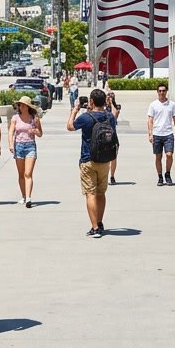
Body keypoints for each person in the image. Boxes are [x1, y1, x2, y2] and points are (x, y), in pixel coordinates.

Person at [67, 88, 116, 237]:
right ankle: (100, 222)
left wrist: (75, 111)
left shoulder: (86, 117)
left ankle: (94, 227)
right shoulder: (110, 117)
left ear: (91, 102)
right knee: (101, 193)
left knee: (90, 194)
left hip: (88, 159)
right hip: (105, 160)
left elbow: (70, 126)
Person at [9, 95, 42, 207]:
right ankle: (23, 196)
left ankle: (28, 198)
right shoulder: (15, 118)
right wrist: (10, 145)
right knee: (21, 174)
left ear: (28, 107)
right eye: (20, 105)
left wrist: (34, 131)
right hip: (18, 146)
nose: (21, 107)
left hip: (30, 146)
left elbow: (40, 133)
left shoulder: (34, 118)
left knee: (28, 173)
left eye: (23, 105)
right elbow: (11, 132)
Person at [147, 83, 175, 186]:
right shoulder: (153, 105)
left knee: (169, 155)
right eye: (160, 91)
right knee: (158, 156)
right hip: (157, 134)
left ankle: (168, 174)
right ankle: (160, 177)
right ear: (157, 92)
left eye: (164, 91)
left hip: (168, 133)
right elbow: (150, 120)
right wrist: (150, 133)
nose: (162, 92)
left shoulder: (172, 105)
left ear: (166, 92)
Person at [105, 90, 122, 185]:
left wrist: (112, 103)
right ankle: (105, 175)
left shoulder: (116, 107)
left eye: (111, 97)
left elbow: (114, 116)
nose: (108, 98)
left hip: (113, 135)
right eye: (108, 97)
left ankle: (112, 176)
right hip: (103, 134)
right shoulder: (102, 107)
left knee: (113, 157)